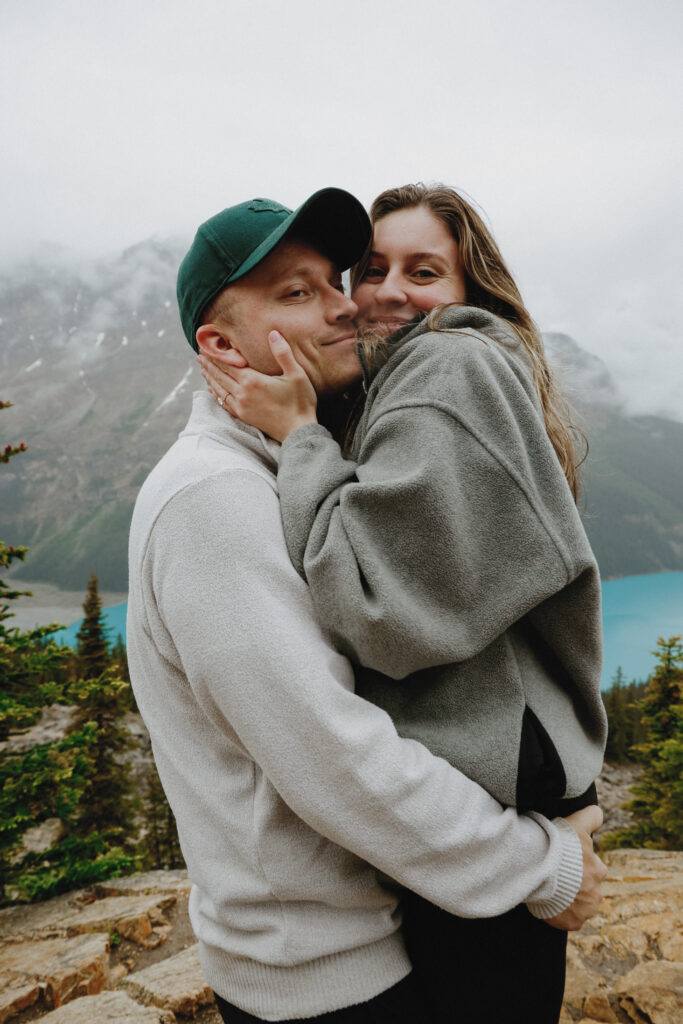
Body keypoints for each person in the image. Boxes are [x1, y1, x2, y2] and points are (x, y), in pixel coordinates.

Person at [128, 187, 605, 1024]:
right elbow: (333, 753)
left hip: (369, 941)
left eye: (331, 282)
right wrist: (541, 867)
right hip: (325, 977)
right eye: (296, 292)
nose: (349, 305)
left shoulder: (284, 457)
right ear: (221, 344)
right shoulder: (214, 498)